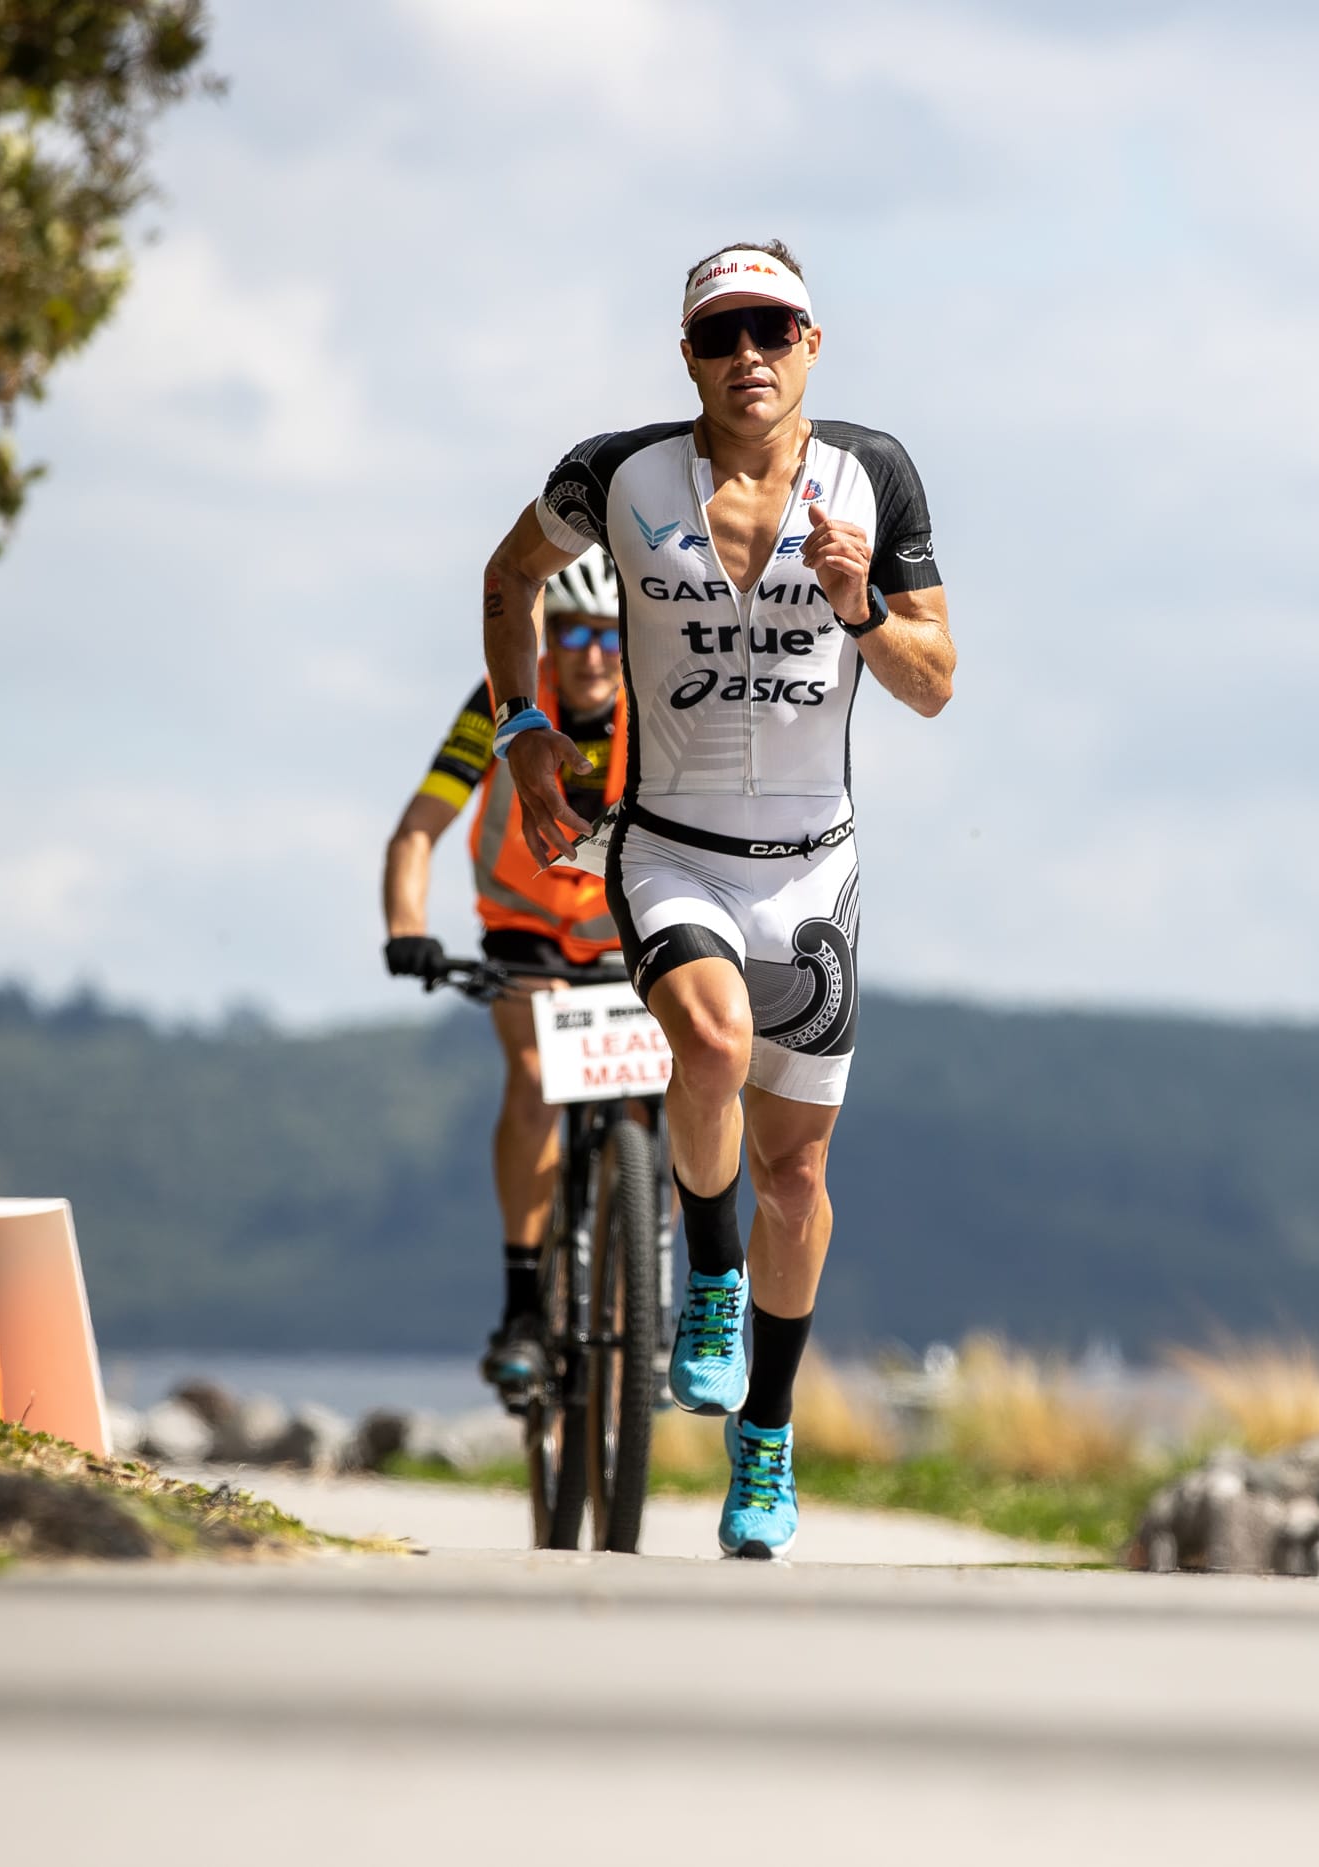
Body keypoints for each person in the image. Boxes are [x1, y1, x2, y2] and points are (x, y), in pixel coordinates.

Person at [476, 239, 955, 1557]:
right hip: (670, 846)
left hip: (813, 870)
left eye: (772, 329)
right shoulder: (619, 476)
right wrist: (521, 728)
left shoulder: (875, 476)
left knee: (796, 1173)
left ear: (812, 343)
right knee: (709, 1040)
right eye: (720, 334)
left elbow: (934, 681)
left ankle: (769, 1434)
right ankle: (711, 1274)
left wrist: (860, 607)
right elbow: (508, 580)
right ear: (686, 356)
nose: (749, 354)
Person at [382, 548, 634, 1389]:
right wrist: (407, 929)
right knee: (533, 1078)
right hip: (526, 929)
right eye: (573, 634)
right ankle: (524, 1304)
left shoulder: (658, 708)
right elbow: (418, 829)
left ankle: (646, 1266)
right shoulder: (504, 707)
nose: (592, 654)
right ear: (547, 638)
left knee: (678, 1087)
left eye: (609, 634)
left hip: (624, 933)